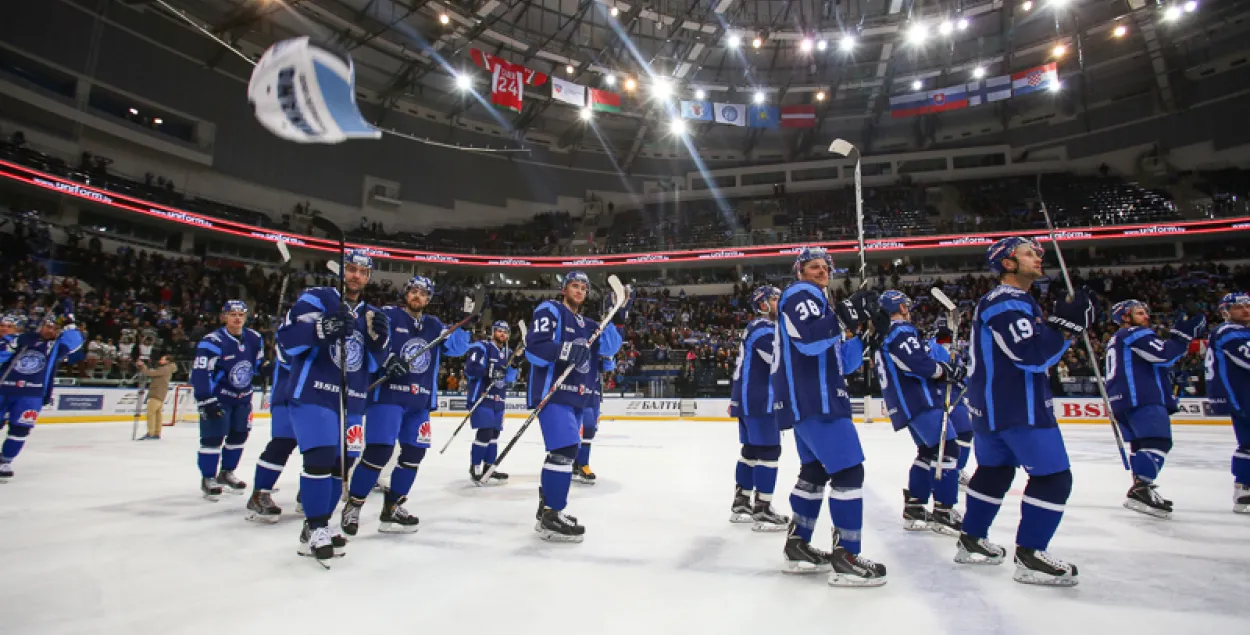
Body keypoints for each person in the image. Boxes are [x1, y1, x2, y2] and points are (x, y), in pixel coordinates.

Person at [958, 236, 1092, 587]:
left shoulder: (1010, 301)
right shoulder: (1008, 301)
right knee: (1053, 476)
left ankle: (971, 539)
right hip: (1018, 405)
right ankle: (1031, 554)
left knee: (995, 471)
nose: (1038, 257)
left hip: (990, 407)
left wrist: (1062, 326)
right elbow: (1031, 356)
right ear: (1007, 263)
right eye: (1028, 253)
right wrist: (1065, 328)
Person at [774, 247, 886, 587]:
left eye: (825, 267)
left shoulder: (822, 305)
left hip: (813, 399)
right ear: (799, 272)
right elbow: (809, 341)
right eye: (813, 266)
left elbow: (844, 363)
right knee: (849, 471)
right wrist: (844, 314)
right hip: (816, 400)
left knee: (815, 471)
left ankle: (798, 546)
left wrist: (868, 336)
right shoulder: (801, 294)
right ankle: (847, 556)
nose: (821, 271)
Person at [276, 250, 389, 566]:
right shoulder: (317, 298)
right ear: (342, 271)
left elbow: (370, 364)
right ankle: (317, 527)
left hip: (350, 399)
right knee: (320, 458)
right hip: (313, 392)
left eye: (362, 272)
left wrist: (380, 344)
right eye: (351, 269)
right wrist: (320, 329)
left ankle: (314, 526)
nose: (356, 276)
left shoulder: (369, 314)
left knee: (341, 466)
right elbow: (287, 341)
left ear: (368, 278)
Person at [340, 275, 471, 535]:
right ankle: (353, 506)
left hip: (419, 401)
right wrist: (387, 360)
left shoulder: (434, 325)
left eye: (424, 293)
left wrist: (465, 324)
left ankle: (392, 507)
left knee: (414, 455)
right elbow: (370, 340)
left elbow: (456, 349)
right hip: (388, 397)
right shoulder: (387, 315)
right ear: (406, 293)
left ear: (429, 299)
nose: (418, 297)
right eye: (414, 291)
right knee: (379, 452)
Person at [524, 271, 625, 542]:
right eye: (574, 286)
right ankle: (553, 514)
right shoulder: (550, 310)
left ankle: (547, 508)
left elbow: (610, 350)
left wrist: (614, 317)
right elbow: (534, 348)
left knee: (565, 452)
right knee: (565, 450)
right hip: (553, 393)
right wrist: (565, 351)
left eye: (583, 287)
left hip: (579, 396)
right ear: (564, 289)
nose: (579, 291)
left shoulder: (591, 324)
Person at [872, 290, 965, 535]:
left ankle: (915, 506)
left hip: (906, 402)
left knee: (928, 452)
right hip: (919, 399)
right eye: (906, 305)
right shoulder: (900, 330)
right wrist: (945, 371)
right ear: (900, 307)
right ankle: (944, 512)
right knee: (948, 450)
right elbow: (915, 363)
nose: (909, 310)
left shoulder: (882, 334)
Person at [1105, 299, 1206, 518]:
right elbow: (1162, 355)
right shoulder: (1134, 333)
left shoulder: (1116, 339)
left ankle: (1143, 488)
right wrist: (1182, 336)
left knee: (1142, 445)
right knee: (1158, 441)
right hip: (1141, 396)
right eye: (1140, 313)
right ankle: (1141, 488)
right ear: (1125, 317)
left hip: (1123, 399)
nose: (1147, 317)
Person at [728, 285, 789, 531]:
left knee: (751, 451)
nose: (780, 303)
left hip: (747, 398)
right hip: (761, 398)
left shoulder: (758, 327)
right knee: (769, 451)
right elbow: (779, 359)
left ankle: (741, 504)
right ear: (762, 304)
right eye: (775, 299)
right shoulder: (765, 328)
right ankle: (762, 510)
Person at [190, 300, 264, 499]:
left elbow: (256, 364)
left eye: (241, 314)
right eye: (233, 314)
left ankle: (227, 472)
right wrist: (206, 399)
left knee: (239, 436)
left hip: (243, 398)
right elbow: (200, 371)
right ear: (224, 317)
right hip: (219, 398)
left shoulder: (255, 338)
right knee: (213, 438)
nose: (237, 318)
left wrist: (266, 369)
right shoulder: (211, 341)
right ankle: (208, 477)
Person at [0, 316, 85, 482]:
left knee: (20, 429)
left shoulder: (57, 347)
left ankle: (5, 461)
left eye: (54, 328)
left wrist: (70, 323)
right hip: (4, 389)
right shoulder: (20, 340)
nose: (50, 330)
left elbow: (75, 341)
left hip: (32, 394)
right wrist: (16, 343)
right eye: (47, 326)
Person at [1205, 292, 1250, 514]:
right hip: (1241, 394)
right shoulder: (1228, 331)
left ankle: (1244, 489)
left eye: (1248, 306)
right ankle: (1244, 489)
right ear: (1226, 312)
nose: (1245, 310)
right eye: (1238, 307)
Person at [464, 320, 519, 485]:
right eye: (499, 331)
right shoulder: (482, 347)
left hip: (499, 398)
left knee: (494, 435)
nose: (503, 334)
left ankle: (489, 467)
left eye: (506, 331)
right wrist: (490, 372)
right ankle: (475, 467)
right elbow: (471, 369)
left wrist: (514, 367)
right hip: (482, 397)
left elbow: (509, 380)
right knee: (485, 432)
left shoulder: (508, 353)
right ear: (493, 332)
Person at [246, 347, 294, 522]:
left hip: (321, 397)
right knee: (282, 443)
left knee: (320, 448)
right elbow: (290, 357)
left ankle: (308, 494)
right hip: (287, 397)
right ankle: (260, 493)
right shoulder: (295, 324)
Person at [927, 324, 974, 487]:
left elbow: (960, 372)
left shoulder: (952, 350)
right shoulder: (935, 348)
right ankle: (952, 470)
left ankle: (955, 470)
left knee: (963, 434)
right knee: (954, 437)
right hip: (944, 396)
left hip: (955, 396)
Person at [136, 353, 176, 440]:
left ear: (167, 361)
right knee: (158, 415)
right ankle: (156, 432)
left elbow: (149, 373)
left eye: (162, 359)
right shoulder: (168, 369)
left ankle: (150, 433)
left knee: (151, 414)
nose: (160, 361)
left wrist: (143, 366)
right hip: (160, 394)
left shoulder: (165, 369)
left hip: (156, 393)